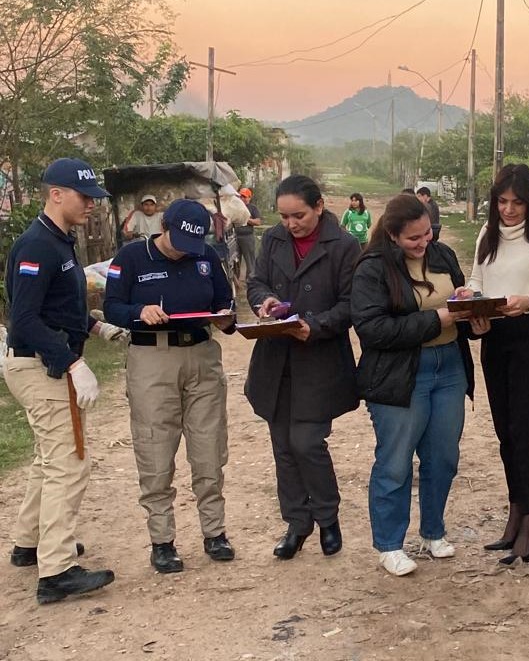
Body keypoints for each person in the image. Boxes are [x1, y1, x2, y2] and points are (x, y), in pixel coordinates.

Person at [4, 158, 118, 604]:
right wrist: (72, 363)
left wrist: (94, 326)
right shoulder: (36, 246)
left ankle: (29, 544)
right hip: (39, 366)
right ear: (56, 194)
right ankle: (57, 571)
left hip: (43, 362)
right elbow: (25, 320)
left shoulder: (60, 242)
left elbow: (57, 309)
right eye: (84, 197)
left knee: (47, 460)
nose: (91, 205)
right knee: (69, 463)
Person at [104, 198, 237, 574]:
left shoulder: (205, 255)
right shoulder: (131, 258)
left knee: (209, 447)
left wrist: (227, 318)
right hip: (152, 360)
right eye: (179, 241)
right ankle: (162, 541)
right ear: (164, 226)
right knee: (155, 449)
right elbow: (112, 306)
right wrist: (137, 312)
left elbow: (223, 300)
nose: (185, 251)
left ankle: (215, 533)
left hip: (201, 356)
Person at [351, 193, 474, 576]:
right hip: (400, 374)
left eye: (428, 234)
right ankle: (389, 543)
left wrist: (471, 310)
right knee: (396, 461)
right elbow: (373, 329)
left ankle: (433, 532)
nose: (424, 243)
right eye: (414, 239)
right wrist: (439, 319)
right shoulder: (371, 269)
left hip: (449, 367)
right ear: (392, 235)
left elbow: (456, 305)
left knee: (443, 457)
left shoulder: (442, 256)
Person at [245, 175, 360, 560]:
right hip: (276, 358)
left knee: (308, 442)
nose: (291, 224)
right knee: (282, 446)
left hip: (320, 359)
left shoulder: (343, 246)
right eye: (284, 216)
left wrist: (316, 324)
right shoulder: (273, 239)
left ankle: (328, 517)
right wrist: (266, 302)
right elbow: (256, 282)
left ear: (319, 207)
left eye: (299, 216)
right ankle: (297, 523)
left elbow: (351, 305)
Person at [461, 163, 529, 565]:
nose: (508, 210)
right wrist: (469, 294)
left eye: (517, 202)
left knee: (527, 432)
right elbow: (476, 277)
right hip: (497, 337)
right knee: (506, 432)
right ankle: (515, 510)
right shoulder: (488, 235)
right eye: (502, 202)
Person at [236, 187, 262, 281]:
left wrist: (246, 219)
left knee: (250, 261)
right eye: (240, 196)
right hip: (235, 238)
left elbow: (258, 222)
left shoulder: (253, 208)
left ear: (249, 198)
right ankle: (236, 282)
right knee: (235, 260)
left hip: (247, 237)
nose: (242, 198)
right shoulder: (235, 208)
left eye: (244, 197)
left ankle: (250, 281)